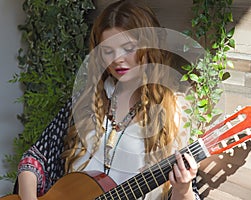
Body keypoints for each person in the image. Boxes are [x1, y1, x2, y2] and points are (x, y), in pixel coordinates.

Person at [14, 0, 202, 199]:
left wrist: (183, 188)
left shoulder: (174, 114)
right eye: (108, 51)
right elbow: (35, 158)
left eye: (128, 48)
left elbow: (188, 195)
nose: (117, 59)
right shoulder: (86, 102)